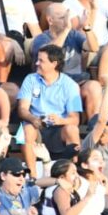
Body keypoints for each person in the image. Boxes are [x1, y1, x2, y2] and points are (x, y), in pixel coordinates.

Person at [17, 45, 82, 175]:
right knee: (27, 129)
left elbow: (75, 119)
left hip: (59, 128)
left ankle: (73, 172)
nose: (36, 63)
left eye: (41, 61)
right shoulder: (30, 79)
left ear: (54, 64)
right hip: (37, 125)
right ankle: (32, 176)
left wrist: (60, 120)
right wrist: (33, 119)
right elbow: (22, 109)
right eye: (37, 59)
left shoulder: (70, 85)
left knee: (72, 129)